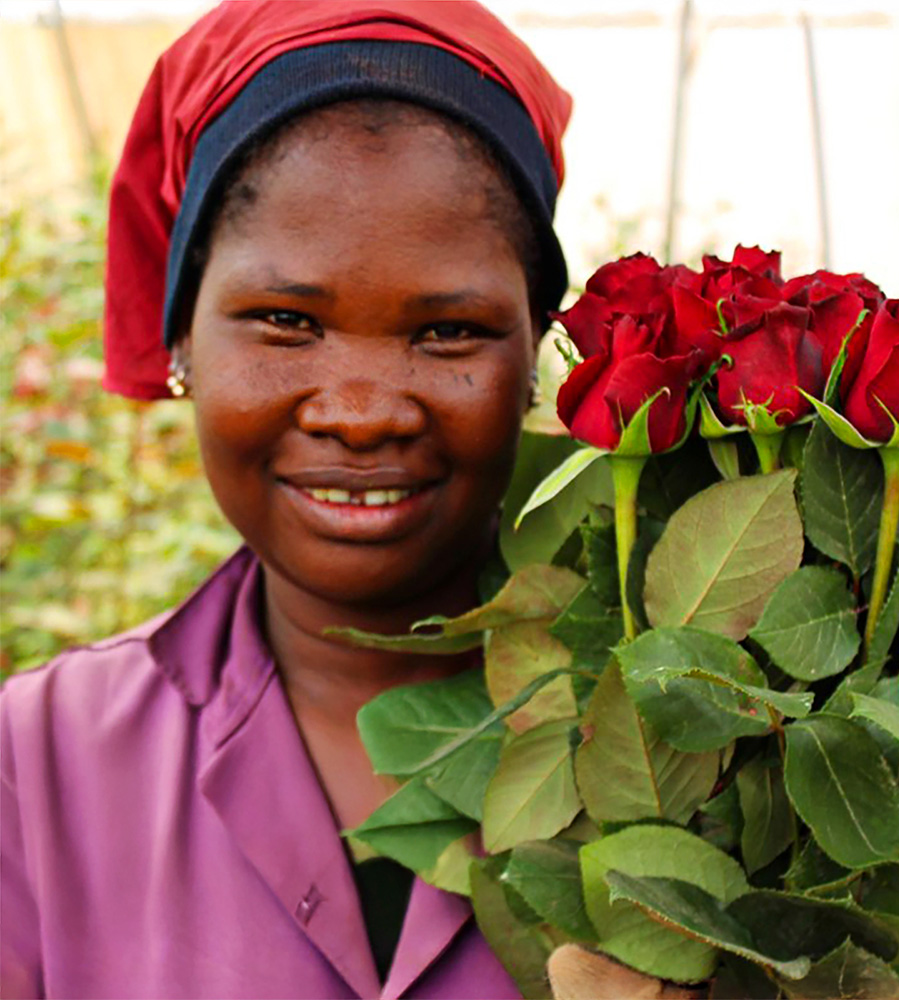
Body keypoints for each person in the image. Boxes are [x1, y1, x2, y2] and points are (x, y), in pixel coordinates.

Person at [0, 2, 572, 996]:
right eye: (283, 320)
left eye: (445, 333)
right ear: (182, 341)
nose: (360, 413)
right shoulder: (38, 766)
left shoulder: (691, 740)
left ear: (534, 356)